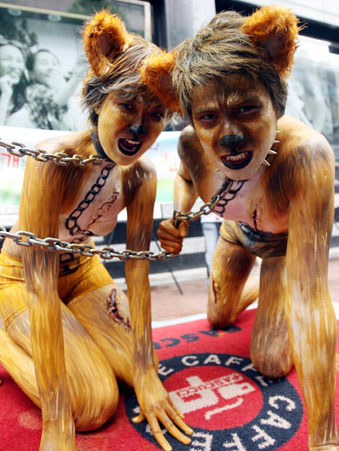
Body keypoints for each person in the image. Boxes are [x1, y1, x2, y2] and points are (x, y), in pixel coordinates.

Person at [0, 11, 192, 451]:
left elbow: (138, 274)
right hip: (22, 281)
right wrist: (55, 417)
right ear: (99, 101)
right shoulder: (53, 163)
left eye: (156, 114)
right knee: (91, 405)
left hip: (86, 272)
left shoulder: (140, 176)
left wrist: (145, 372)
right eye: (127, 105)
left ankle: (86, 341)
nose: (140, 127)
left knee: (142, 367)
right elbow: (40, 286)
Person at [156, 6, 339, 450]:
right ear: (193, 119)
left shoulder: (306, 156)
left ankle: (271, 278)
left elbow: (312, 299)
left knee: (272, 360)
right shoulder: (191, 146)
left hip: (284, 249)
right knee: (218, 318)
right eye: (209, 118)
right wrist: (180, 217)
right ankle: (260, 284)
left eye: (247, 109)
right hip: (234, 235)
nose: (230, 135)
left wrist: (326, 440)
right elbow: (185, 178)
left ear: (274, 104)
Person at [6, 48, 88, 130]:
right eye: (43, 63)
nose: (51, 68)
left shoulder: (64, 86)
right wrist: (76, 76)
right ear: (31, 73)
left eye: (54, 64)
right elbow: (56, 103)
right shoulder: (34, 89)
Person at [0, 40, 27, 125]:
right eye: (7, 59)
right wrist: (5, 95)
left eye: (19, 61)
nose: (14, 66)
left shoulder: (29, 94)